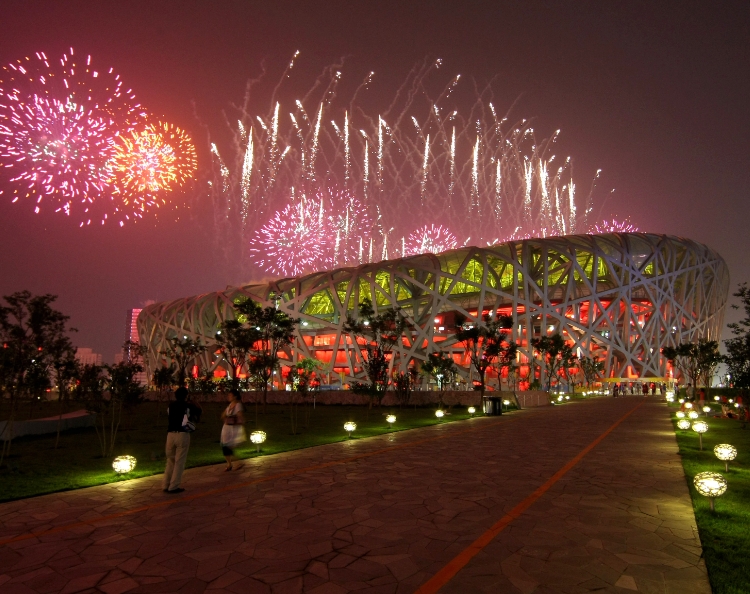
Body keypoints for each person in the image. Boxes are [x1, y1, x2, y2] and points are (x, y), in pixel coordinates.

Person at [163, 386, 201, 493]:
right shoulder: (187, 406)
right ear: (186, 395)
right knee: (179, 461)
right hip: (182, 434)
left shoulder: (170, 406)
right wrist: (194, 402)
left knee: (170, 461)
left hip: (170, 434)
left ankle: (166, 484)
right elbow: (199, 412)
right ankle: (174, 486)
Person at [221, 389, 247, 471]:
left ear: (235, 396)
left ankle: (237, 462)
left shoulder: (238, 405)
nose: (228, 397)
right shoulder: (230, 405)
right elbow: (223, 414)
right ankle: (230, 464)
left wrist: (242, 421)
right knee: (225, 446)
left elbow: (240, 415)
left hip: (233, 428)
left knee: (227, 446)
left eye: (230, 395)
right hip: (227, 427)